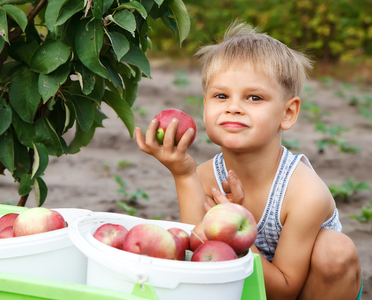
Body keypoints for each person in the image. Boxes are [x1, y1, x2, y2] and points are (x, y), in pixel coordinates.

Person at [135, 21, 362, 300]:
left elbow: (283, 290)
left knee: (334, 250)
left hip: (304, 290)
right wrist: (183, 175)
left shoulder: (304, 193)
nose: (234, 107)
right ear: (205, 107)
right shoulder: (206, 177)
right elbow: (197, 259)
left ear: (288, 113)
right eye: (221, 96)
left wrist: (235, 226)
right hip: (245, 289)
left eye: (254, 97)